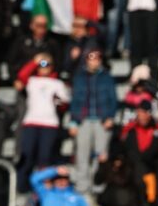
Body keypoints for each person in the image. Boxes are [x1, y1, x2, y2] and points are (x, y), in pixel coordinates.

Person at [17, 55, 70, 194]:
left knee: (44, 158)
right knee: (26, 155)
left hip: (50, 124)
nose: (44, 67)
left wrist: (59, 102)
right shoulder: (32, 81)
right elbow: (21, 76)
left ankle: (43, 188)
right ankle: (21, 186)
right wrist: (34, 61)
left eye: (47, 65)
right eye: (41, 65)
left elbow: (64, 103)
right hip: (31, 122)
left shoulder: (58, 83)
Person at [68, 48, 117, 193]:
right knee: (82, 154)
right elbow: (75, 100)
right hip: (83, 120)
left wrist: (110, 117)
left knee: (100, 155)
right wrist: (73, 122)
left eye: (97, 57)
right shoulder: (79, 77)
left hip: (102, 120)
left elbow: (113, 99)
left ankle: (98, 185)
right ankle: (82, 186)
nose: (94, 60)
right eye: (91, 57)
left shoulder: (107, 77)